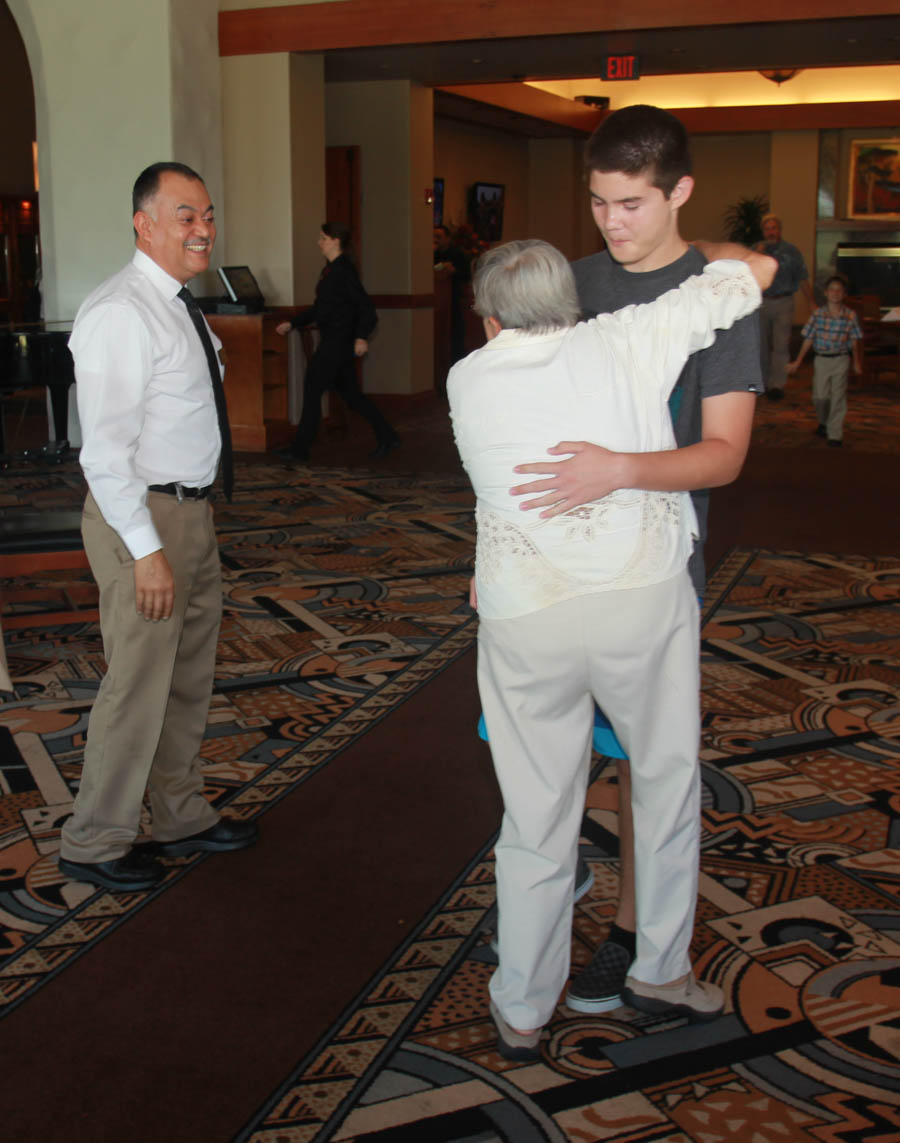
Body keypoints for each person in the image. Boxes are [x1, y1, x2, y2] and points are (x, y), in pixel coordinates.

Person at [450, 239, 774, 1058]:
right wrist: (728, 252)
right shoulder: (629, 336)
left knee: (535, 810)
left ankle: (523, 1005)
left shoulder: (467, 378)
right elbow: (749, 278)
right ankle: (660, 967)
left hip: (526, 613)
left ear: (489, 319)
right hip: (639, 600)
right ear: (571, 302)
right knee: (662, 780)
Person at [506, 105, 764, 1017]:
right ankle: (554, 895)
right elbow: (508, 425)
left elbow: (724, 454)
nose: (611, 222)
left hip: (655, 574)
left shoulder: (721, 291)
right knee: (542, 762)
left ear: (680, 191)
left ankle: (630, 937)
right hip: (542, 572)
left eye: (630, 204)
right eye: (599, 202)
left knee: (647, 773)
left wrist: (620, 471)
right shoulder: (571, 283)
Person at [58, 162, 258, 893]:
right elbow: (105, 452)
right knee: (139, 680)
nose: (203, 229)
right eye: (185, 215)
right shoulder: (120, 310)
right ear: (144, 223)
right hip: (141, 517)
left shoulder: (176, 304)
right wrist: (146, 551)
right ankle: (93, 838)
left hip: (192, 512)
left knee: (186, 678)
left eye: (207, 213)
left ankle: (179, 813)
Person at [276, 223, 399, 461]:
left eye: (322, 238)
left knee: (313, 389)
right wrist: (293, 323)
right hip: (336, 341)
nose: (318, 242)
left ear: (335, 241)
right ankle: (388, 437)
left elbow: (366, 309)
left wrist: (361, 336)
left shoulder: (343, 271)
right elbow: (321, 308)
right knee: (351, 396)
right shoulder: (331, 270)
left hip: (337, 342)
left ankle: (300, 449)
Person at [787, 275, 862, 447]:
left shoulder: (850, 315)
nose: (835, 293)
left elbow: (854, 340)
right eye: (832, 290)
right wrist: (797, 361)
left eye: (839, 290)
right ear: (826, 293)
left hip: (841, 359)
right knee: (820, 397)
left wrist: (856, 362)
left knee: (838, 396)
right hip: (821, 360)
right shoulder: (818, 315)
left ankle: (834, 433)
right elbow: (808, 339)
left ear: (844, 294)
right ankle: (824, 421)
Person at [757, 212, 814, 400]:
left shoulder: (792, 251)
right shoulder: (756, 250)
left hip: (784, 302)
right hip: (761, 302)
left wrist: (811, 302)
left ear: (779, 230)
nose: (770, 232)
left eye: (773, 228)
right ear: (763, 231)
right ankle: (762, 383)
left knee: (781, 345)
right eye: (767, 229)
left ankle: (777, 385)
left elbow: (803, 278)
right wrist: (757, 253)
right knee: (761, 345)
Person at [434, 224, 471, 365]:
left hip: (454, 301)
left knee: (456, 339)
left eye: (439, 237)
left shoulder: (458, 254)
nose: (436, 240)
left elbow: (466, 275)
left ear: (448, 238)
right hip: (437, 304)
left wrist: (453, 271)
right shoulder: (432, 254)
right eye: (433, 237)